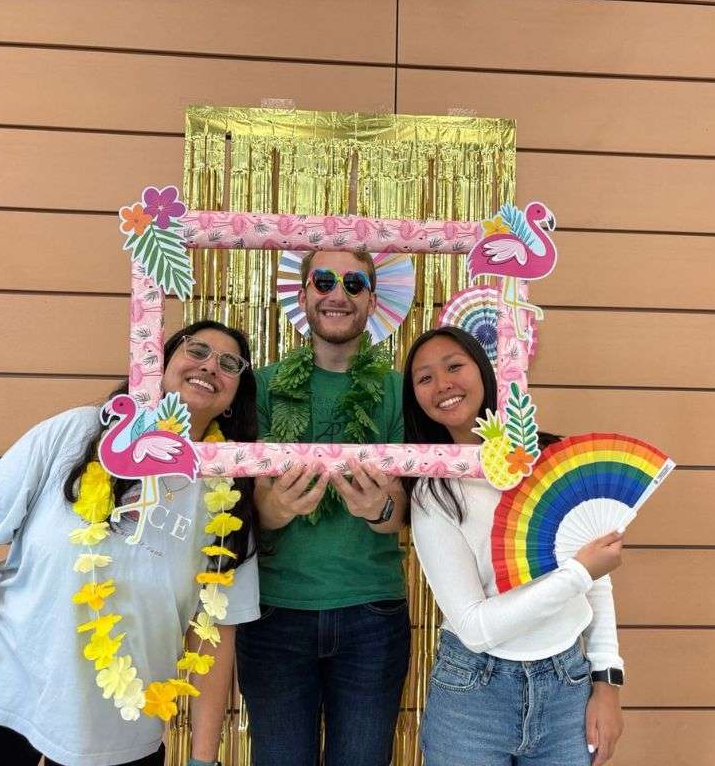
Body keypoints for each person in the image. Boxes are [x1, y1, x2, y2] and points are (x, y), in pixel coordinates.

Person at [0, 320, 260, 766]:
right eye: (196, 350)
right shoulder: (74, 434)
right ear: (158, 366)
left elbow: (215, 632)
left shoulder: (228, 497)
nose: (210, 366)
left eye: (229, 363)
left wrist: (202, 758)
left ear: (234, 399)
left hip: (118, 730)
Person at [403, 326, 626, 766]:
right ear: (415, 398)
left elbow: (597, 585)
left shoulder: (550, 459)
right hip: (473, 695)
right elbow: (476, 627)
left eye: (454, 366)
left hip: (568, 686)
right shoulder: (433, 493)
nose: (443, 384)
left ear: (484, 370)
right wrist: (578, 572)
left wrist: (607, 685)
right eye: (424, 378)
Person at [236, 250, 410, 766]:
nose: (338, 293)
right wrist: (271, 510)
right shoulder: (260, 387)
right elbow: (240, 507)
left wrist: (380, 509)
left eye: (354, 284)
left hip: (371, 615)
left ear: (372, 301)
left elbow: (400, 513)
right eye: (324, 281)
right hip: (273, 613)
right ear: (304, 293)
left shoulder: (399, 390)